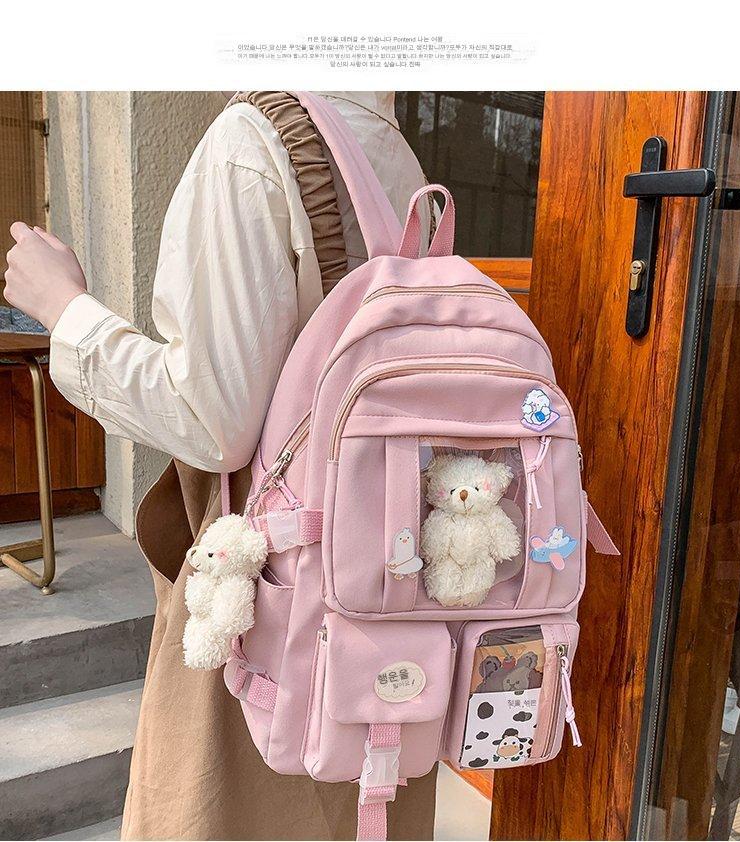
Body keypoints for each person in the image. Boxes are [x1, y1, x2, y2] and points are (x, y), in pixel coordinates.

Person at [4, 91, 437, 840]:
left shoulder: (252, 141)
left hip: (269, 586)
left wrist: (64, 307)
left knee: (221, 803)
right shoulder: (393, 150)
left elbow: (211, 421)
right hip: (388, 578)